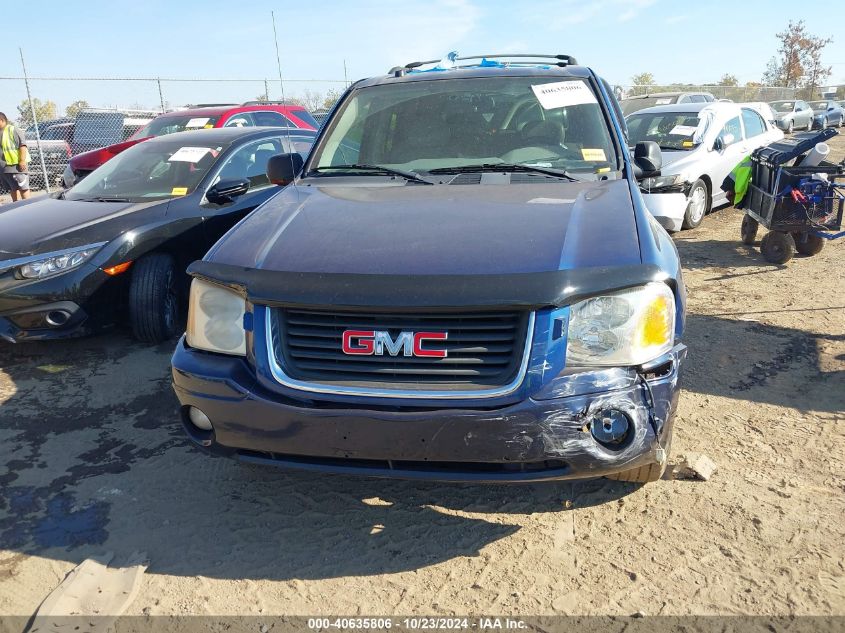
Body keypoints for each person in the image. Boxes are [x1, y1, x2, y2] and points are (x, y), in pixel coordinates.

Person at [0, 112, 30, 201]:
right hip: (4, 168)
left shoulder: (13, 130)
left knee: (23, 188)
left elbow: (22, 146)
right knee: (12, 189)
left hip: (16, 167)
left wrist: (22, 160)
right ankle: (16, 208)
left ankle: (28, 207)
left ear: (1, 120)